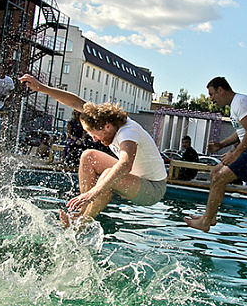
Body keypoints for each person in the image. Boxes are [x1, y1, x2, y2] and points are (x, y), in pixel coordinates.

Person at [19, 74, 168, 228]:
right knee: (88, 156)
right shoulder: (102, 118)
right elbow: (75, 102)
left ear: (108, 127)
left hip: (153, 188)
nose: (96, 140)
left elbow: (125, 163)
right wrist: (42, 88)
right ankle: (81, 212)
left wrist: (93, 193)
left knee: (107, 175)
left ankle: (81, 223)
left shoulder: (127, 132)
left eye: (96, 135)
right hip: (135, 177)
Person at [184, 77, 247, 232]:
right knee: (215, 172)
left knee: (219, 178)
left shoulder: (241, 102)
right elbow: (241, 133)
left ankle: (205, 222)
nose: (211, 99)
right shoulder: (235, 105)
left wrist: (235, 154)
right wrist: (221, 144)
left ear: (221, 90)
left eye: (211, 94)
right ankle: (210, 217)